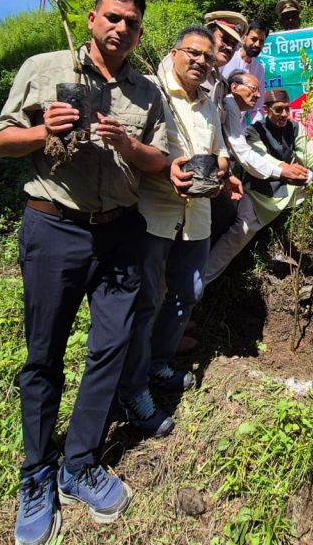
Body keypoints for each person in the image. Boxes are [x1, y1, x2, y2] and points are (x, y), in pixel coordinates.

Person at [0, 0, 168, 545]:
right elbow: (0, 141)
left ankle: (80, 462)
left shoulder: (146, 92)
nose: (121, 28)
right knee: (44, 354)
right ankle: (36, 473)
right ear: (92, 19)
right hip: (54, 228)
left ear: (140, 31)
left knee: (110, 346)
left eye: (132, 22)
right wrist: (45, 130)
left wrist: (127, 145)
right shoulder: (44, 68)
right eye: (112, 18)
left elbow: (159, 160)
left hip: (120, 232)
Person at [116, 25, 231, 438]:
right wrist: (168, 170)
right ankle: (132, 390)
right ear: (174, 52)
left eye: (208, 57)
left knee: (188, 292)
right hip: (154, 213)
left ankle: (158, 363)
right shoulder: (149, 90)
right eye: (192, 53)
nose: (200, 61)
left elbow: (220, 153)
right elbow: (129, 146)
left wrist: (220, 171)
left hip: (197, 214)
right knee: (145, 301)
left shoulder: (209, 103)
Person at [205, 88, 313, 284]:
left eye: (287, 109)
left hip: (288, 188)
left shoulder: (295, 128)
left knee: (312, 178)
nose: (284, 114)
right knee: (239, 232)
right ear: (266, 110)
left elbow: (306, 152)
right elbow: (261, 158)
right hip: (259, 194)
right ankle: (201, 281)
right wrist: (284, 169)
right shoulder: (254, 131)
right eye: (278, 110)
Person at [202, 10, 247, 121]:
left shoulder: (222, 85)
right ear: (208, 36)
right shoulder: (186, 64)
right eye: (225, 40)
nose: (230, 48)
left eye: (234, 44)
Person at [222, 20, 269, 124]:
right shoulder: (228, 58)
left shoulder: (259, 69)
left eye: (261, 41)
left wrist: (255, 129)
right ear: (243, 38)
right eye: (254, 39)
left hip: (239, 124)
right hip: (218, 117)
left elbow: (256, 108)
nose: (257, 44)